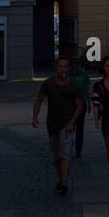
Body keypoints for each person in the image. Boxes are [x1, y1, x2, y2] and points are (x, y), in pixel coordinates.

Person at [32, 55, 83, 196]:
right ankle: (60, 179)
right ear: (56, 67)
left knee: (65, 153)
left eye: (65, 66)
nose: (62, 69)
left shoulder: (73, 86)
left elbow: (79, 106)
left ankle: (64, 182)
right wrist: (35, 116)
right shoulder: (48, 83)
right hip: (52, 124)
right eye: (60, 66)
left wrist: (72, 122)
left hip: (67, 124)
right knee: (57, 156)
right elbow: (39, 100)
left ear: (68, 68)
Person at [91, 54, 109, 188]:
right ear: (103, 68)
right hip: (107, 121)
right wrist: (96, 119)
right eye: (107, 66)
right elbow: (95, 103)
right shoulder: (99, 85)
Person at [70, 56, 91, 160]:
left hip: (82, 104)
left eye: (77, 64)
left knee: (79, 128)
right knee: (69, 126)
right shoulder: (67, 74)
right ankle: (69, 146)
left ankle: (78, 149)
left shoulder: (84, 75)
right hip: (69, 104)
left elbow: (87, 89)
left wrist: (89, 103)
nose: (75, 66)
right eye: (74, 64)